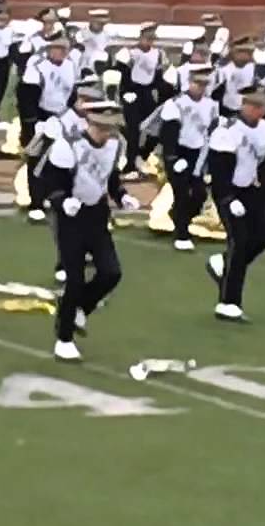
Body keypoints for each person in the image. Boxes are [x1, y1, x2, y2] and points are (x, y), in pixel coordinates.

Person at [40, 108, 139, 359]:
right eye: (101, 128)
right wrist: (63, 201)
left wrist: (123, 196)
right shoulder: (68, 146)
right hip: (70, 217)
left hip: (96, 214)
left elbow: (110, 178)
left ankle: (78, 308)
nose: (106, 133)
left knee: (111, 272)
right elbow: (49, 182)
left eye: (110, 128)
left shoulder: (114, 146)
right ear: (89, 123)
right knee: (74, 278)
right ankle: (64, 338)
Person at [205, 90, 265, 321]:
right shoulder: (228, 130)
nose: (257, 110)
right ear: (243, 105)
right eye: (252, 105)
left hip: (253, 190)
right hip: (230, 190)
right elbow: (218, 169)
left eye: (261, 106)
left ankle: (222, 262)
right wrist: (228, 199)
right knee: (239, 241)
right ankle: (228, 302)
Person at [158, 66, 220, 251]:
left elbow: (212, 130)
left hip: (199, 153)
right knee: (182, 191)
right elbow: (168, 132)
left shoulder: (211, 105)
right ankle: (182, 234)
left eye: (204, 84)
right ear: (189, 83)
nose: (200, 87)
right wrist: (172, 157)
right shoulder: (176, 103)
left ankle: (178, 216)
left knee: (199, 193)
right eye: (197, 83)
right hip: (179, 151)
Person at [20, 36, 80, 222]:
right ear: (49, 48)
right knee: (37, 159)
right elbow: (26, 98)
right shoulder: (37, 67)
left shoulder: (71, 66)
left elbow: (73, 95)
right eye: (58, 48)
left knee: (62, 159)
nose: (62, 52)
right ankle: (36, 202)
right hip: (42, 117)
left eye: (65, 48)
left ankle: (54, 196)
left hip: (63, 117)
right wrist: (32, 122)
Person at [113, 23, 164, 178]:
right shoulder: (129, 53)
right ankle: (130, 165)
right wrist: (124, 93)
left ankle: (141, 155)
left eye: (151, 38)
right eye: (146, 37)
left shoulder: (158, 54)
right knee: (133, 130)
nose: (148, 41)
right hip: (131, 92)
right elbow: (121, 75)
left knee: (156, 127)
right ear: (140, 37)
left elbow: (158, 77)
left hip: (148, 94)